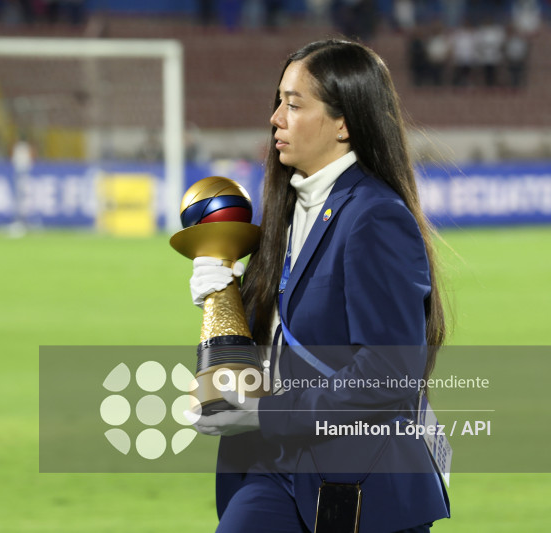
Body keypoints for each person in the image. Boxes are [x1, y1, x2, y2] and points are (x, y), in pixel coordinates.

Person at [187, 39, 449, 532]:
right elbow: (273, 354)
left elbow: (388, 372)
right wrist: (222, 303)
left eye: (293, 104)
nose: (276, 118)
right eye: (277, 102)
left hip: (361, 485)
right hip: (278, 469)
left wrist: (264, 413)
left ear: (344, 122)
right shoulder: (287, 211)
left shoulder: (375, 217)